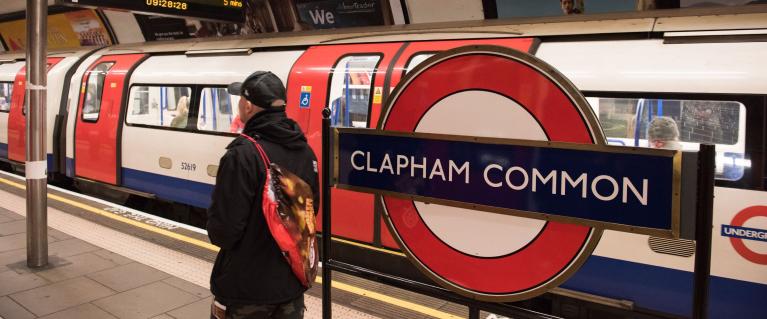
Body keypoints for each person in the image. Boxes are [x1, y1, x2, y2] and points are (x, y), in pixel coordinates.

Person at [207, 71, 319, 319]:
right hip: (291, 284)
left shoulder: (242, 154)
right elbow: (312, 210)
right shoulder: (306, 152)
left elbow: (223, 231)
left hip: (246, 290)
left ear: (247, 105)